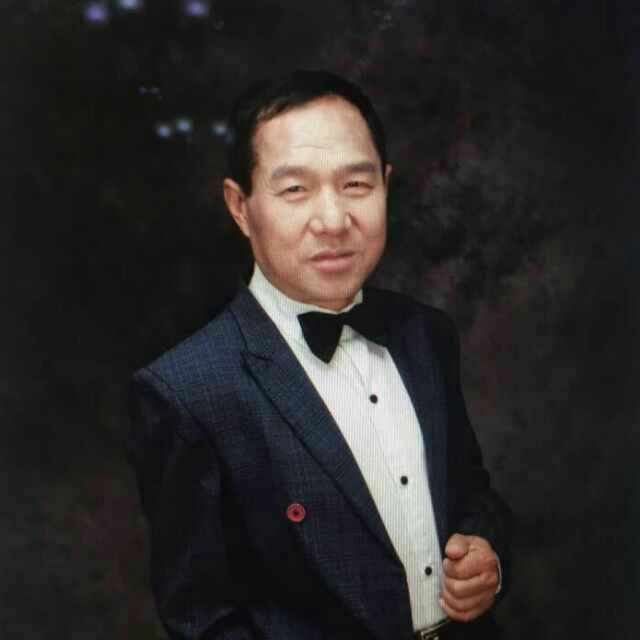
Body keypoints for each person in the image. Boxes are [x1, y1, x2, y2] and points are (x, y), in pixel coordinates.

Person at [129, 70, 514, 640]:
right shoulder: (187, 392)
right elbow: (204, 619)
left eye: (356, 184)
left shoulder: (426, 334)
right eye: (295, 190)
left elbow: (473, 492)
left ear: (385, 185)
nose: (334, 221)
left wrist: (487, 555)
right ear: (240, 206)